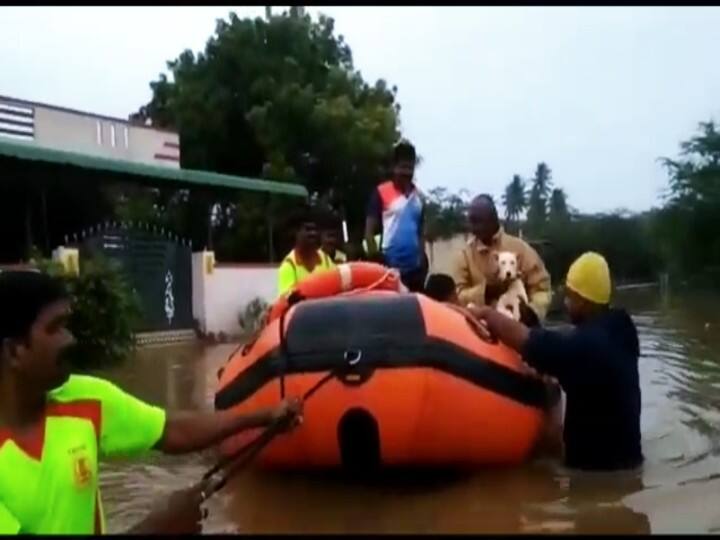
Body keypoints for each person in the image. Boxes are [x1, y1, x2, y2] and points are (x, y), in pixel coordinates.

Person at [0, 271, 303, 535]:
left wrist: (263, 417)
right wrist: (160, 529)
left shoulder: (86, 398)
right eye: (56, 328)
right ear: (14, 351)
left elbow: (172, 429)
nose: (70, 339)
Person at [468, 252, 643, 471]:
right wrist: (531, 320)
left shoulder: (585, 346)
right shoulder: (622, 330)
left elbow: (528, 342)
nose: (566, 302)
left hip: (595, 473)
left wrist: (487, 314)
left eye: (570, 296)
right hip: (629, 461)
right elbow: (559, 344)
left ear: (585, 301)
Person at [453, 194, 552, 326]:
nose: (473, 227)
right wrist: (486, 292)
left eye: (478, 221)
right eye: (471, 221)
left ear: (494, 220)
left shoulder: (520, 249)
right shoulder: (465, 255)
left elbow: (542, 288)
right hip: (480, 333)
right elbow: (457, 295)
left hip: (519, 330)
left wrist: (531, 312)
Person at [364, 140, 426, 292]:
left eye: (410, 168)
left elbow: (421, 232)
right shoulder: (380, 192)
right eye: (403, 167)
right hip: (389, 267)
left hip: (414, 271)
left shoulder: (419, 197)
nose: (406, 172)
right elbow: (368, 233)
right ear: (394, 167)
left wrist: (422, 259)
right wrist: (377, 260)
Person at [278, 206, 335, 297]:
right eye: (308, 229)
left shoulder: (326, 260)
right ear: (296, 232)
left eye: (315, 229)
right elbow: (288, 301)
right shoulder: (289, 266)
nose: (313, 233)